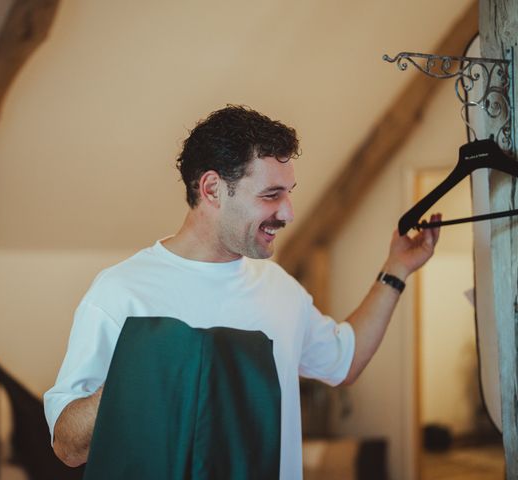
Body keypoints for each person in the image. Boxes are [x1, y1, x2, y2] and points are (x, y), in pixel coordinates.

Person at [44, 105, 441, 479]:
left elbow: (345, 360)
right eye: (271, 195)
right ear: (213, 189)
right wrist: (137, 374)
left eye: (289, 193)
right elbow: (67, 446)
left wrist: (397, 269)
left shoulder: (277, 286)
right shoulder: (120, 293)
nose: (288, 213)